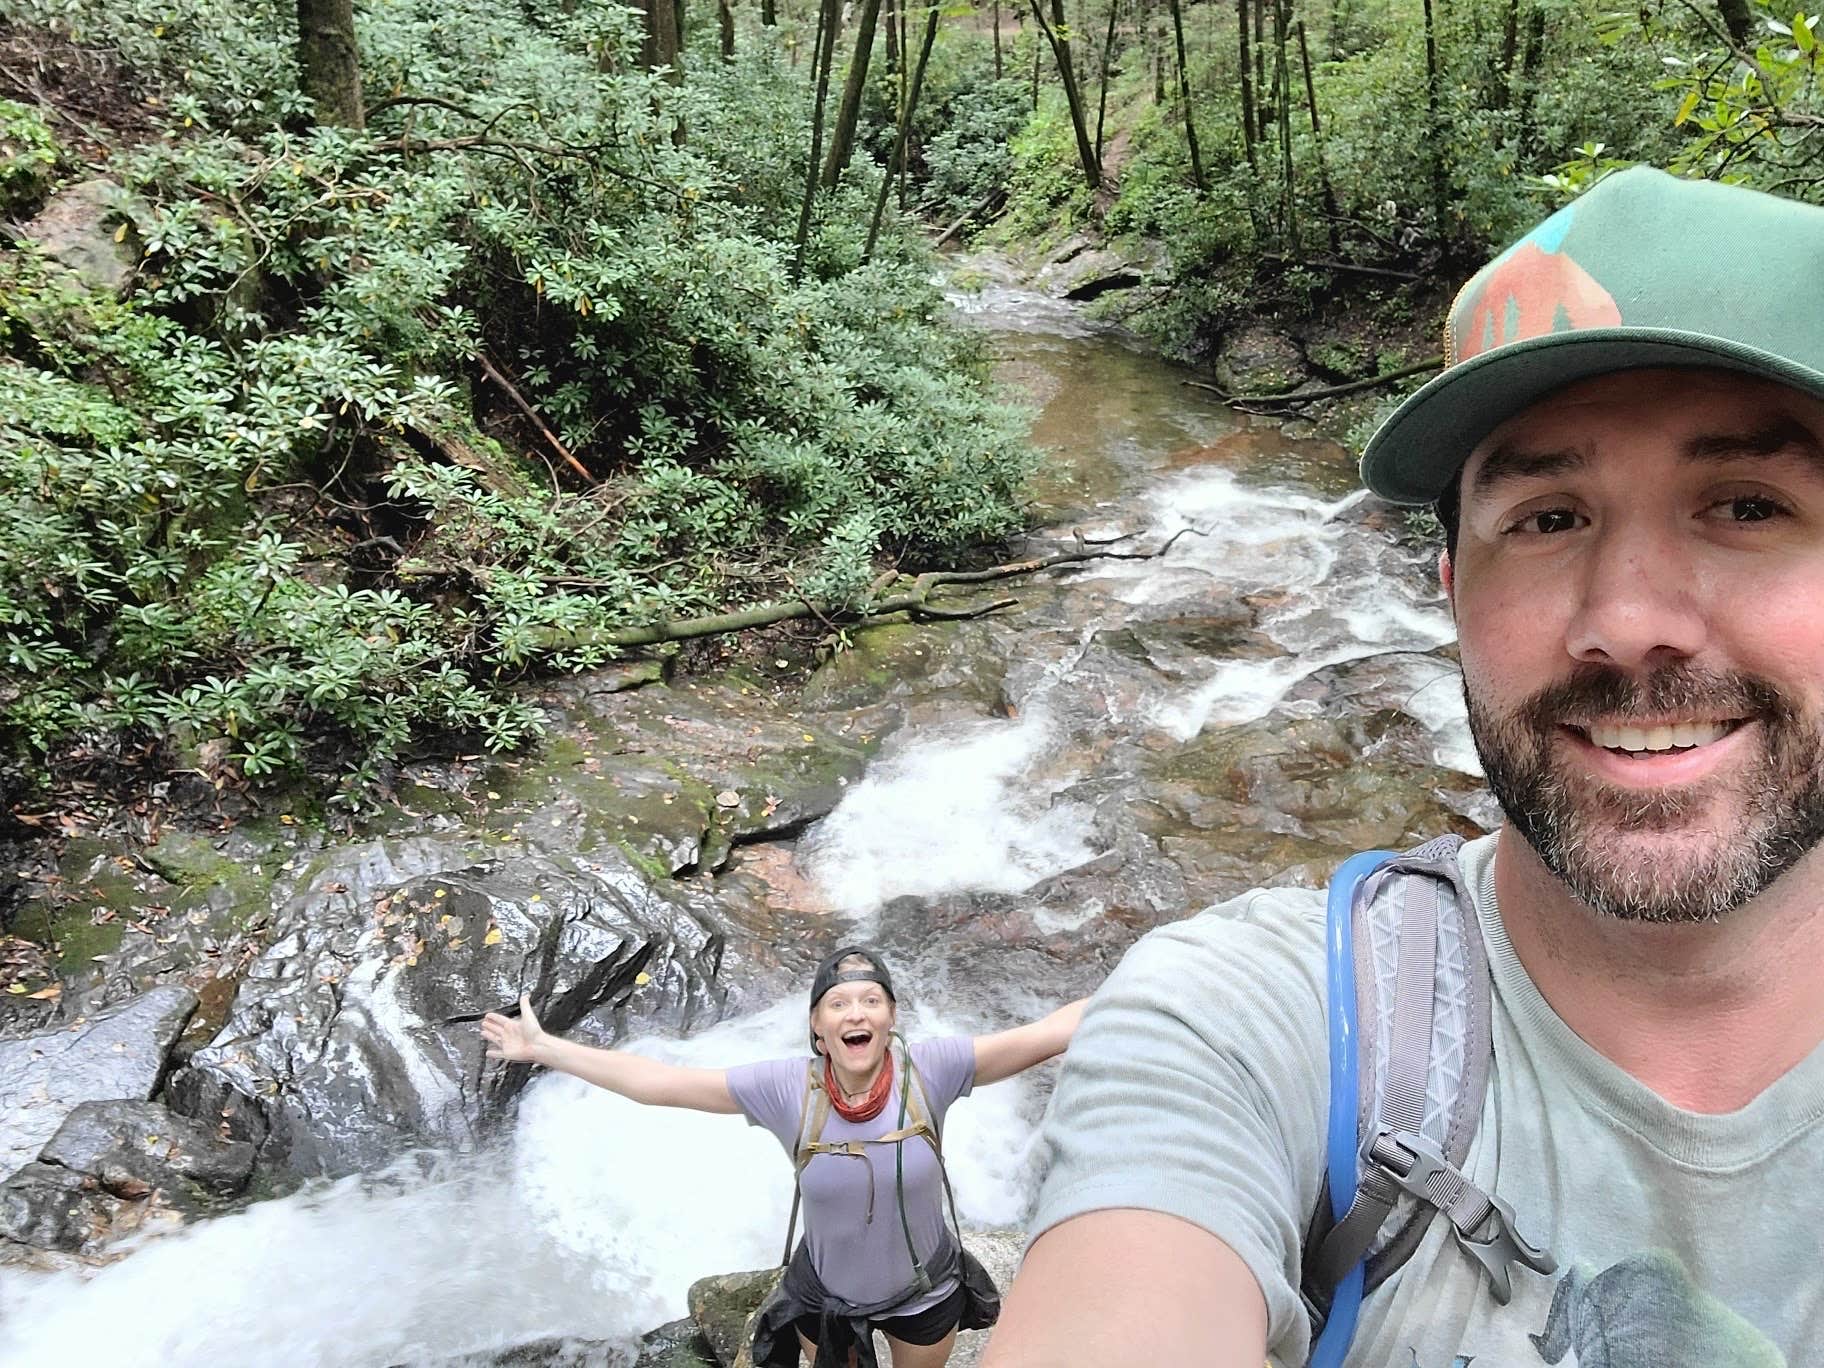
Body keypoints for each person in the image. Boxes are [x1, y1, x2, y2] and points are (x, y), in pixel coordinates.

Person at [984, 165, 1824, 1367]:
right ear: (1451, 592)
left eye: (1745, 506)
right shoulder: (1258, 1028)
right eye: (1547, 518)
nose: (1630, 617)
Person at [481, 945, 1086, 1368]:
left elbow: (1048, 1033)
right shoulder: (785, 1088)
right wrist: (546, 1049)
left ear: (891, 1018)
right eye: (840, 1004)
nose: (857, 1013)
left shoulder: (934, 1069)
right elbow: (659, 1083)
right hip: (828, 1297)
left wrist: (1167, 971)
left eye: (871, 1000)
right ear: (818, 1028)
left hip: (926, 1291)